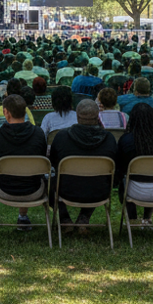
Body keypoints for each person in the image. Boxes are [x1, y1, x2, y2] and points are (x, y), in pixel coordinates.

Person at [48, 98, 117, 234]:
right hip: (99, 191)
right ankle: (83, 218)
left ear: (77, 116)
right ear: (97, 116)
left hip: (66, 189)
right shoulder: (109, 138)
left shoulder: (62, 137)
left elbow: (54, 163)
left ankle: (65, 218)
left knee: (48, 181)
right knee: (94, 181)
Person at [0, 93, 47, 232]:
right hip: (34, 190)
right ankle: (22, 216)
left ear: (6, 112)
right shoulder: (39, 134)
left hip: (4, 190)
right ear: (25, 112)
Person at [115, 103, 153, 227]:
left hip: (135, 191)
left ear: (132, 119)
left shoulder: (126, 140)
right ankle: (146, 218)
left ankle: (132, 218)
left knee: (124, 179)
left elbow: (120, 169)